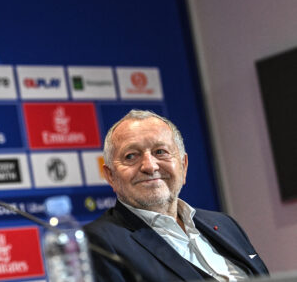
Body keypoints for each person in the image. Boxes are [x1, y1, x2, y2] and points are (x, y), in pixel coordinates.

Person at [84, 110, 269, 282]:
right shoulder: (97, 243)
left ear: (184, 166)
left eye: (160, 152)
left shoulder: (225, 224)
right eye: (131, 156)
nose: (150, 166)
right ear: (111, 176)